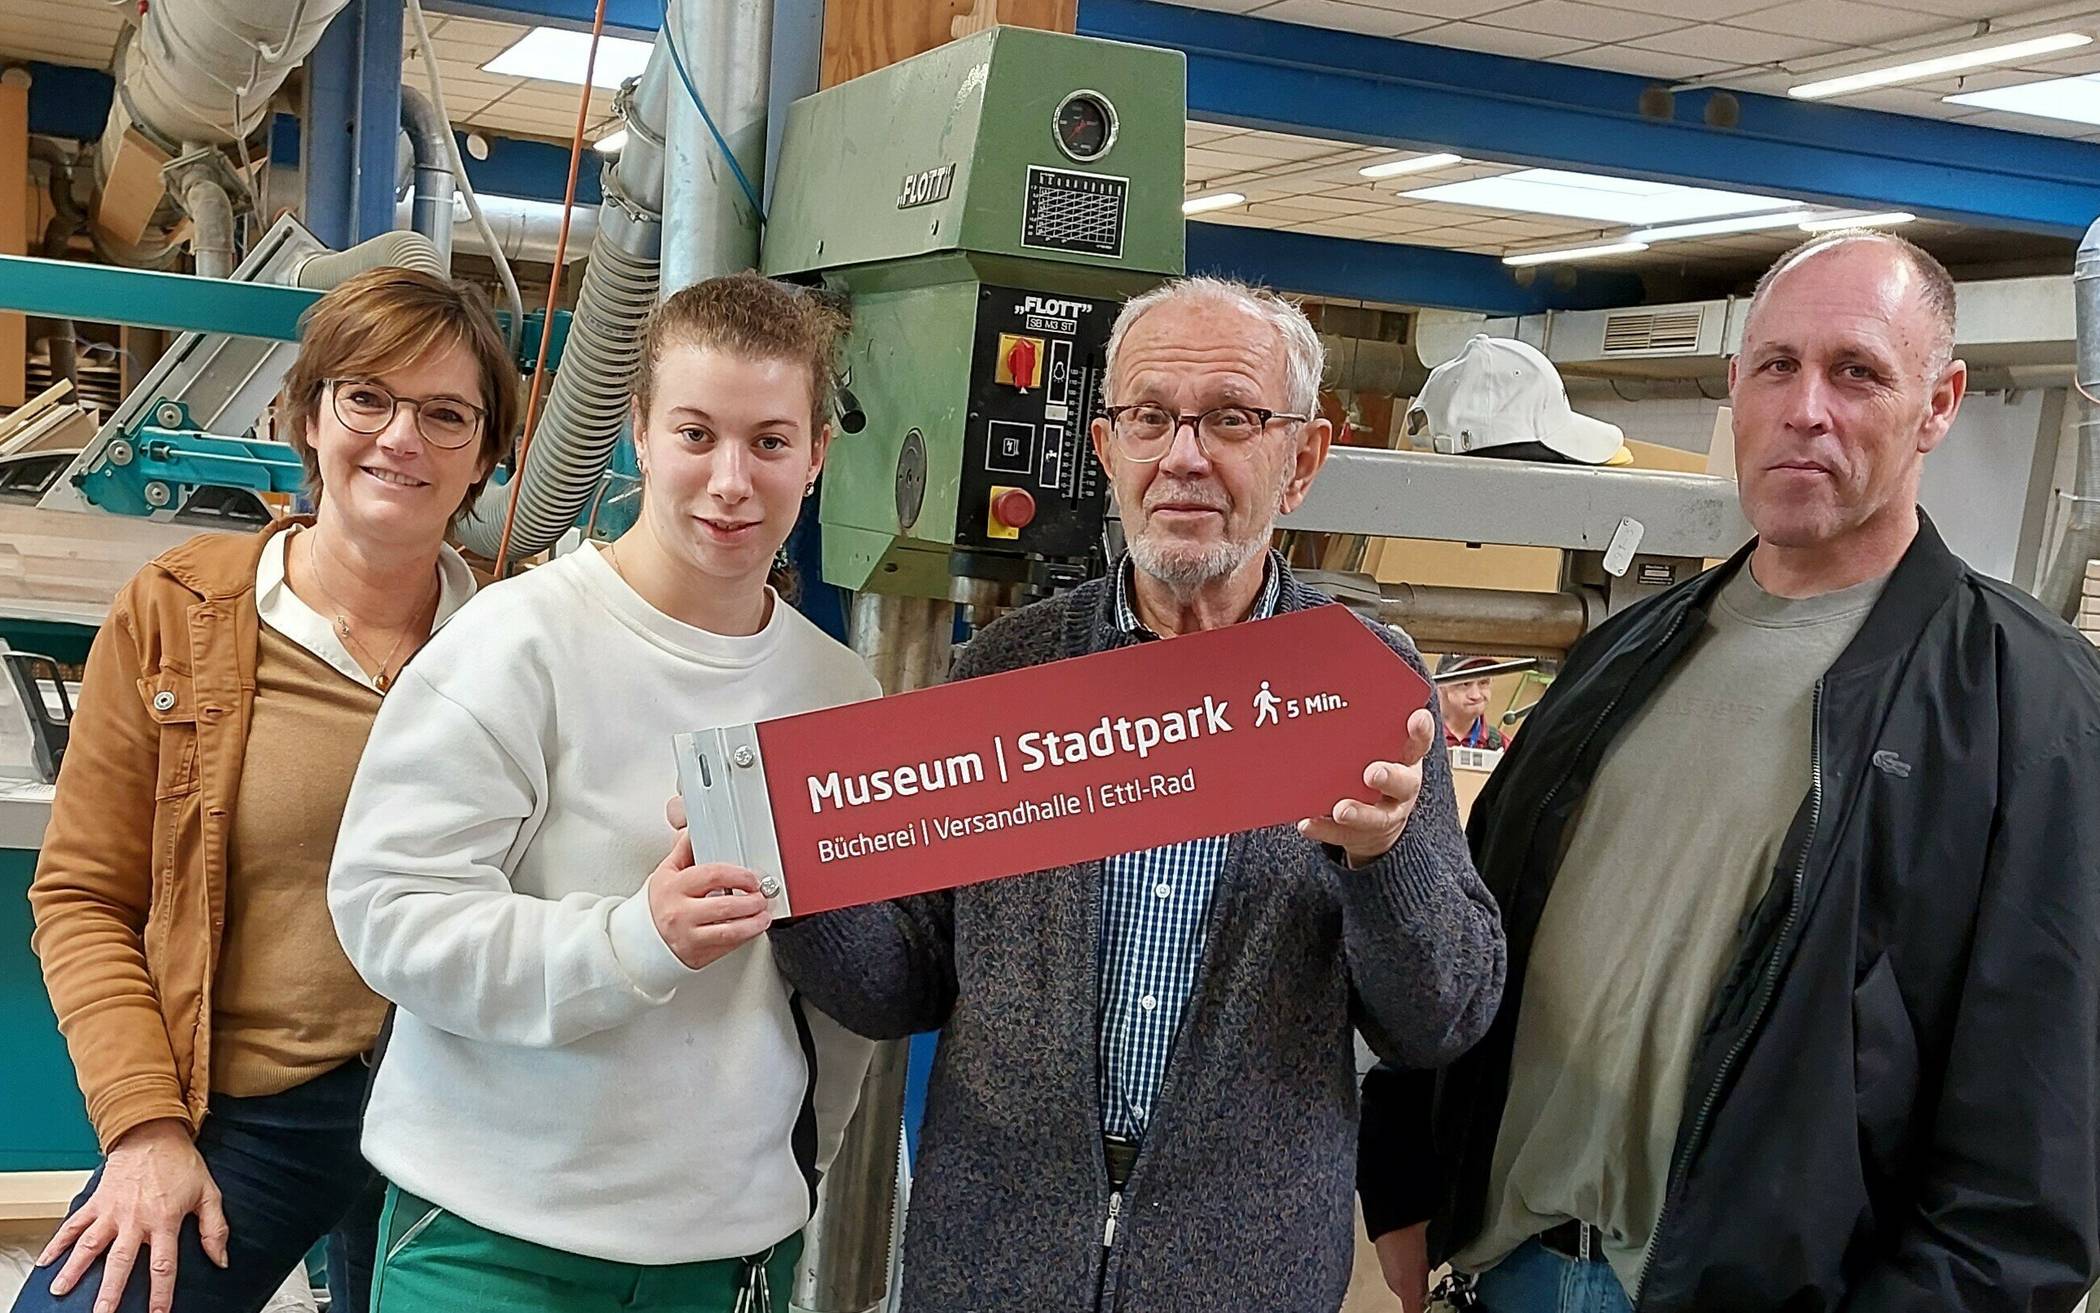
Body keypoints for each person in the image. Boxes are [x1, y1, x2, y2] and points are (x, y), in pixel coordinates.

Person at [1361, 231, 2100, 1312]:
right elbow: (1472, 923)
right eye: (1777, 366)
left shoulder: (2029, 702)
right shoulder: (1623, 654)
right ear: (1734, 390)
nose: (1808, 407)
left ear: (1938, 404)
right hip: (1513, 1264)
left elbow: (2035, 1145)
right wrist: (1403, 1166)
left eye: (1857, 371)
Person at [771, 275, 1506, 1312]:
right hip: (991, 1271)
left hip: (1241, 1282)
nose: (1186, 454)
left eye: (1232, 419)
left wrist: (1386, 862)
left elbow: (1445, 1014)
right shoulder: (1013, 672)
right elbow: (909, 981)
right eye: (1152, 416)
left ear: (1301, 461)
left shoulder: (1362, 684)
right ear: (1108, 447)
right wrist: (787, 870)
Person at [327, 271, 876, 1313]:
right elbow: (390, 913)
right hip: (494, 1245)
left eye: (768, 441)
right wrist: (635, 939)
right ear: (637, 433)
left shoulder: (838, 691)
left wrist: (788, 1176)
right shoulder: (516, 643)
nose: (730, 481)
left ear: (816, 454)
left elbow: (838, 1002)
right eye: (696, 434)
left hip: (728, 1255)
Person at [19, 268, 519, 1313]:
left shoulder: (527, 640)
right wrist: (145, 1128)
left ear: (485, 453)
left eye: (444, 414)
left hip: (469, 1100)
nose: (401, 438)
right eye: (367, 397)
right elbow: (81, 897)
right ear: (307, 414)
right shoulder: (180, 610)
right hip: (255, 1099)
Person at [1434, 655, 1507, 751]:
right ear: (1440, 686)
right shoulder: (1418, 738)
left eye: (1483, 682)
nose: (1475, 695)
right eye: (1465, 683)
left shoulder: (1504, 747)